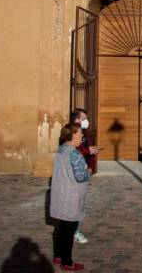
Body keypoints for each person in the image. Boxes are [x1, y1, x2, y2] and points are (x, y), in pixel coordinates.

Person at [50, 122, 89, 271]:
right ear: (72, 135)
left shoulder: (61, 149)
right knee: (69, 230)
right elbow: (80, 177)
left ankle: (58, 256)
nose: (82, 135)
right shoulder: (74, 153)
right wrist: (88, 170)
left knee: (61, 228)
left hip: (60, 194)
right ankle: (67, 262)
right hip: (71, 196)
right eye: (80, 133)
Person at [69, 108, 100, 243]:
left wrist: (91, 166)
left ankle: (74, 230)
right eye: (83, 118)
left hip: (84, 172)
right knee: (77, 205)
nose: (86, 121)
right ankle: (74, 232)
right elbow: (73, 151)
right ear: (76, 120)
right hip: (77, 175)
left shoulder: (83, 133)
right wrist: (88, 151)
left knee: (80, 204)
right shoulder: (71, 133)